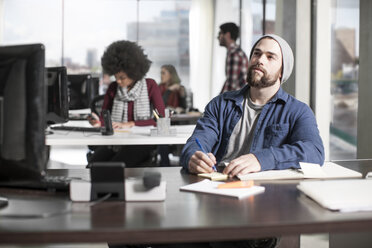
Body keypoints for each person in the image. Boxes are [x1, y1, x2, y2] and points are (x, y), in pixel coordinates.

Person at [178, 34, 324, 248]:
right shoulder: (221, 104)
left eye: (270, 56)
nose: (260, 59)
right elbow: (197, 141)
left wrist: (262, 158)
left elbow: (314, 152)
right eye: (256, 53)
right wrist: (194, 156)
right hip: (214, 197)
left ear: (282, 71)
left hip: (262, 205)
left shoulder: (298, 111)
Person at [88, 40, 165, 166]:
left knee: (114, 166)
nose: (118, 81)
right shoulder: (113, 88)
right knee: (93, 164)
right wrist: (98, 122)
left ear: (134, 73)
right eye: (115, 77)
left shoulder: (150, 85)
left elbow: (161, 119)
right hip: (116, 140)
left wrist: (131, 124)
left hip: (141, 141)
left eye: (122, 77)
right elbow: (104, 118)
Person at [218, 22, 249, 94]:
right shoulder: (236, 52)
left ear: (227, 35)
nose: (218, 37)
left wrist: (218, 102)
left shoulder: (234, 54)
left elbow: (231, 86)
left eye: (220, 33)